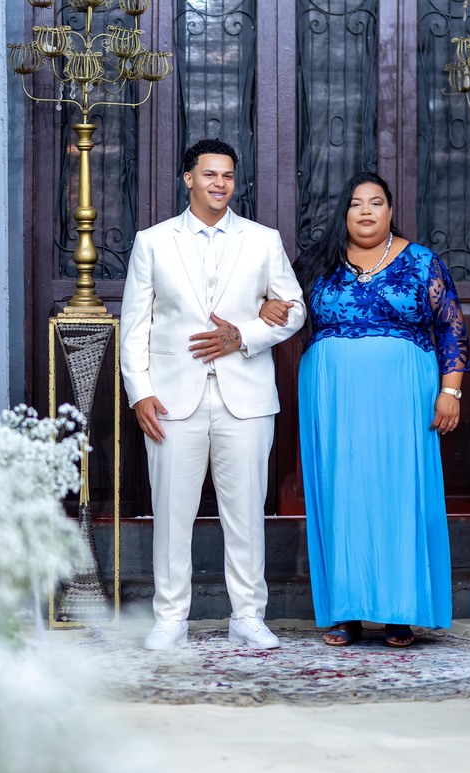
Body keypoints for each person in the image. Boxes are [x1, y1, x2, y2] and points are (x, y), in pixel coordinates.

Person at [119, 139, 306, 651]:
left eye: (227, 175)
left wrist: (243, 335)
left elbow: (294, 309)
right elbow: (134, 327)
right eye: (209, 174)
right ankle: (170, 618)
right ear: (188, 179)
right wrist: (139, 393)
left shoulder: (262, 240)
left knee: (245, 514)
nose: (219, 183)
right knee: (171, 514)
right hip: (170, 399)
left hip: (245, 399)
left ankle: (248, 616)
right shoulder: (153, 242)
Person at [298, 172, 468, 648]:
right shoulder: (318, 262)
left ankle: (400, 612)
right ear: (344, 213)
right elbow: (281, 307)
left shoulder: (421, 261)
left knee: (400, 492)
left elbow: (451, 328)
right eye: (356, 203)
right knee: (341, 494)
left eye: (376, 202)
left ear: (391, 211)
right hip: (333, 397)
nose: (366, 211)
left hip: (403, 396)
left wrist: (450, 391)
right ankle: (346, 612)